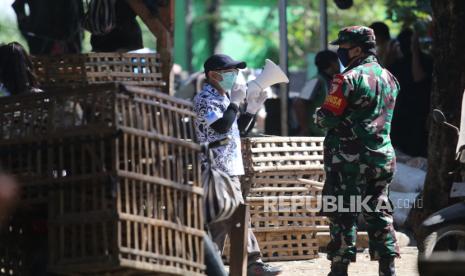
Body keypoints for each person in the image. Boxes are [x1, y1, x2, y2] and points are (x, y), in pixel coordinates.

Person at [316, 26, 400, 276]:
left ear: (357, 49)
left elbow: (328, 118)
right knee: (380, 212)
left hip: (348, 159)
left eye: (342, 47)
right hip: (382, 157)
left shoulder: (346, 79)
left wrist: (319, 116)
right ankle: (388, 268)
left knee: (343, 212)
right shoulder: (389, 78)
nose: (340, 52)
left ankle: (339, 269)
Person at [193, 54, 282, 276]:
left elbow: (236, 130)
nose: (235, 76)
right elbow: (222, 126)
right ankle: (253, 265)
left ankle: (211, 266)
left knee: (225, 219)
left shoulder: (222, 97)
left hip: (228, 168)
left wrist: (251, 109)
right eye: (229, 72)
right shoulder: (204, 99)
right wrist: (235, 102)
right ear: (213, 75)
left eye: (236, 71)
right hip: (216, 169)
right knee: (231, 216)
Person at [389, 28, 433, 157]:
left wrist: (415, 53)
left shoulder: (425, 61)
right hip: (401, 115)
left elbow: (418, 78)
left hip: (418, 115)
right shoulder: (398, 63)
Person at [294, 50, 340, 136]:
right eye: (337, 61)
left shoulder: (331, 81)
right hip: (316, 135)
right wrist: (305, 129)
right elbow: (299, 104)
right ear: (332, 63)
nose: (339, 64)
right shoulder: (316, 80)